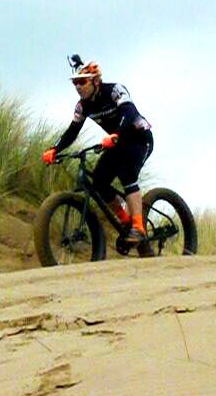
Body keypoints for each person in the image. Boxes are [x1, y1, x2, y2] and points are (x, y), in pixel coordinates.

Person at [42, 55, 155, 256]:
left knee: (127, 172)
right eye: (75, 83)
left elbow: (129, 114)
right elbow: (72, 131)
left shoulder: (114, 90)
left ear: (95, 81)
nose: (78, 87)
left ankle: (138, 225)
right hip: (117, 142)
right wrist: (54, 149)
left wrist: (116, 135)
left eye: (82, 82)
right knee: (100, 183)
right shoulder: (82, 106)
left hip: (139, 137)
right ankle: (126, 220)